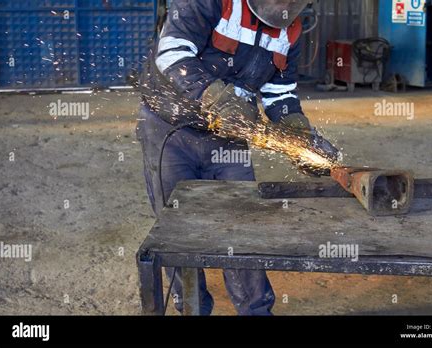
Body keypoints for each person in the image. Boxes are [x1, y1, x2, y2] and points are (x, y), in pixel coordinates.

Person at [136, 0, 338, 316]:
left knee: (241, 222)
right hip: (170, 129)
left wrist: (297, 133)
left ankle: (256, 310)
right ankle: (192, 309)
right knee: (177, 229)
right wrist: (215, 97)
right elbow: (172, 53)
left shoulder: (292, 28)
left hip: (229, 135)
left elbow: (279, 91)